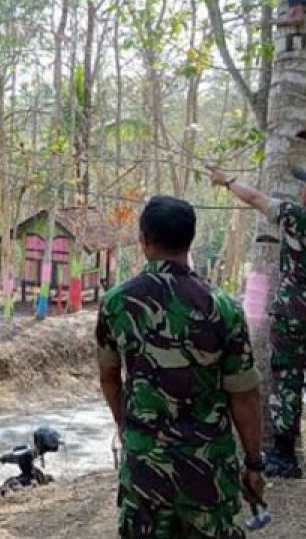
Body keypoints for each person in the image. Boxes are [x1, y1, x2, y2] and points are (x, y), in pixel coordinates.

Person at [97, 196, 265, 538]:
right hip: (208, 475)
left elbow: (110, 378)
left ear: (144, 241)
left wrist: (127, 426)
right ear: (191, 240)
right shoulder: (224, 307)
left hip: (145, 473)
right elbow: (244, 396)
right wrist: (253, 462)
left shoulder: (117, 303)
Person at [209, 163, 306, 481]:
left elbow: (256, 199)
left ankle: (284, 455)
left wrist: (228, 180)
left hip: (295, 312)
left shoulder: (299, 217)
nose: (301, 189)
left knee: (287, 379)